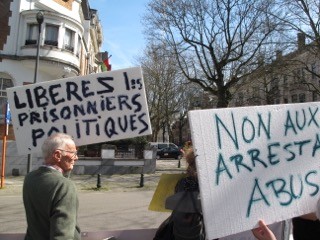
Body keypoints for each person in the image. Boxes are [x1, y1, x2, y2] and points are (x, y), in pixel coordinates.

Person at [23, 133, 81, 240]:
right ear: (57, 155)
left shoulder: (30, 178)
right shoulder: (64, 186)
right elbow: (62, 235)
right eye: (73, 153)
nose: (76, 157)